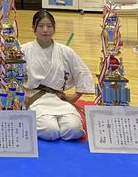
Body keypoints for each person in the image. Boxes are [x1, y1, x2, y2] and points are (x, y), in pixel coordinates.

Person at [22, 10, 94, 141]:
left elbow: (81, 72)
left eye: (49, 26)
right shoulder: (24, 50)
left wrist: (76, 96)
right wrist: (20, 97)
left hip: (59, 99)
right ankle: (52, 126)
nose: (45, 30)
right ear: (33, 28)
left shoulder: (65, 51)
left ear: (54, 29)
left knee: (75, 129)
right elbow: (13, 77)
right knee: (50, 131)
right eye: (40, 26)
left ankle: (59, 126)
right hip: (35, 99)